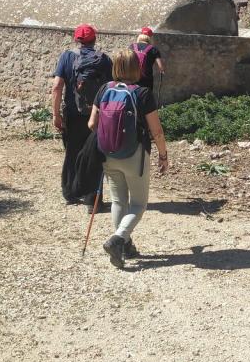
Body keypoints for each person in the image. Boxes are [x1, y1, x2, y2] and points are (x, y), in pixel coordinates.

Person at [88, 49, 169, 268]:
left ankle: (124, 246)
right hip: (135, 155)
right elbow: (157, 131)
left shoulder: (104, 89)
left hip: (108, 154)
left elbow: (92, 124)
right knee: (139, 204)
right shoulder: (142, 93)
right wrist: (163, 155)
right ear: (137, 68)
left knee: (118, 201)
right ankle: (118, 239)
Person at [51, 23, 112, 209]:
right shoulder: (104, 60)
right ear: (95, 39)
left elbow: (56, 87)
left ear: (76, 40)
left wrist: (56, 115)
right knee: (94, 154)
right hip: (96, 115)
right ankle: (92, 199)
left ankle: (70, 192)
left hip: (72, 113)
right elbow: (109, 89)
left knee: (72, 152)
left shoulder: (67, 57)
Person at [131, 26, 165, 91]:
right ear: (150, 37)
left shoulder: (132, 46)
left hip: (132, 76)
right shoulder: (153, 49)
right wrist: (162, 70)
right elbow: (160, 67)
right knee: (146, 96)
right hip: (146, 78)